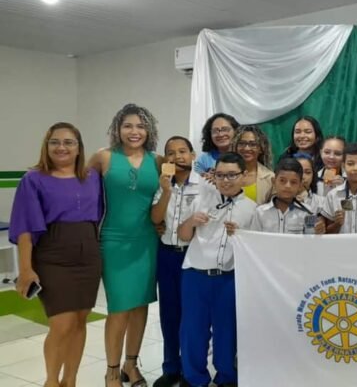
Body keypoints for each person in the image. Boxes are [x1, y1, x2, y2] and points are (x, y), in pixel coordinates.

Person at [9, 122, 102, 387]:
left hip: (88, 253)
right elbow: (25, 228)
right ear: (46, 146)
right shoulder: (33, 179)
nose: (61, 147)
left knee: (80, 321)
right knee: (61, 324)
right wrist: (26, 270)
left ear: (78, 148)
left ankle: (70, 380)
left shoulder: (92, 177)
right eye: (55, 142)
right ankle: (51, 381)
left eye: (68, 142)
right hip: (52, 254)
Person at [89, 104, 163, 387]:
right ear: (117, 129)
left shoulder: (156, 161)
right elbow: (78, 189)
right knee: (119, 308)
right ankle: (111, 370)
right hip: (113, 241)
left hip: (146, 241)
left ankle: (131, 365)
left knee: (141, 306)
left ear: (149, 131)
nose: (134, 132)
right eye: (128, 126)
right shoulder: (103, 157)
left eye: (141, 126)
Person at [177, 152, 256, 387]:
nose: (226, 180)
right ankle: (194, 378)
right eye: (220, 175)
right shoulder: (202, 197)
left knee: (227, 332)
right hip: (195, 274)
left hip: (230, 278)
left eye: (232, 175)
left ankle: (226, 378)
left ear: (244, 176)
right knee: (193, 331)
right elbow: (182, 236)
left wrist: (242, 236)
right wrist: (191, 221)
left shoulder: (253, 209)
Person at [150, 136, 201, 387]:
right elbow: (155, 217)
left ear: (193, 155)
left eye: (183, 151)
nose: (177, 156)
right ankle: (171, 367)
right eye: (171, 153)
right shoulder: (163, 185)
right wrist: (167, 191)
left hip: (192, 257)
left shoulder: (205, 186)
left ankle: (191, 371)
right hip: (167, 255)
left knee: (191, 316)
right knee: (169, 314)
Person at [253, 158, 326, 234]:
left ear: (300, 185)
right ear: (274, 181)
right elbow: (254, 240)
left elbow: (311, 240)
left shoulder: (309, 213)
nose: (288, 186)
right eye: (282, 180)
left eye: (293, 182)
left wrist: (318, 231)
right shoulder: (260, 212)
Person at [232, 124, 274, 204]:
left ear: (261, 148)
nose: (247, 148)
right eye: (242, 143)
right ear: (235, 147)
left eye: (253, 144)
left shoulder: (270, 178)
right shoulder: (223, 173)